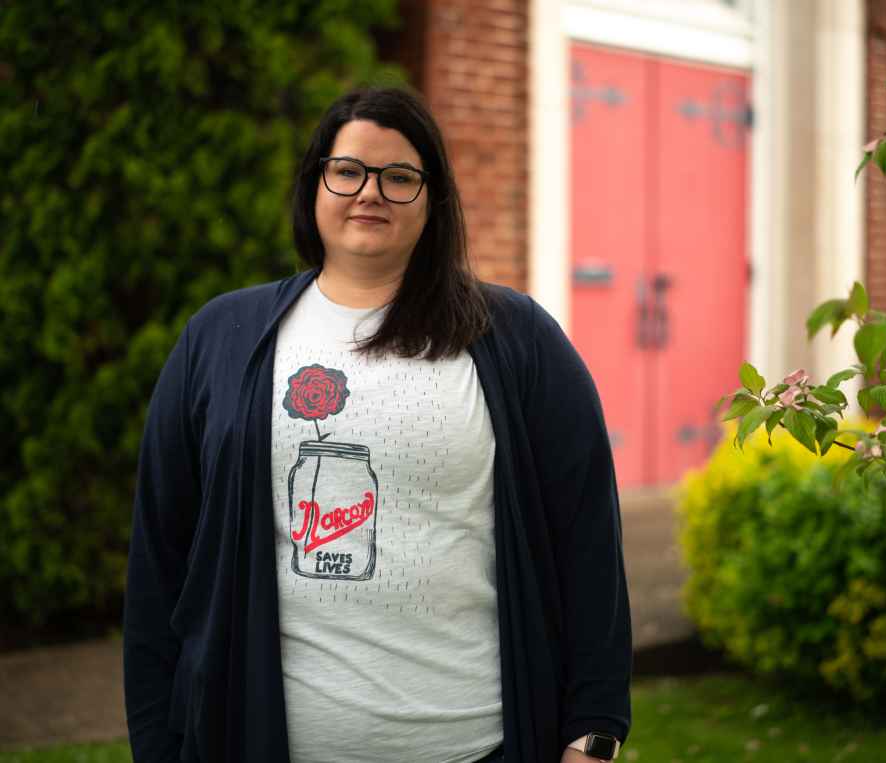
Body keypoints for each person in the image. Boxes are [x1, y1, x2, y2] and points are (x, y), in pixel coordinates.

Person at [123, 86, 632, 763]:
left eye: (400, 177)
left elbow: (589, 539)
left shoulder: (517, 340)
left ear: (433, 201)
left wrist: (593, 733)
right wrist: (158, 742)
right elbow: (160, 556)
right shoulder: (220, 337)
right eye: (348, 171)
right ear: (315, 185)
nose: (371, 193)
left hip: (470, 743)